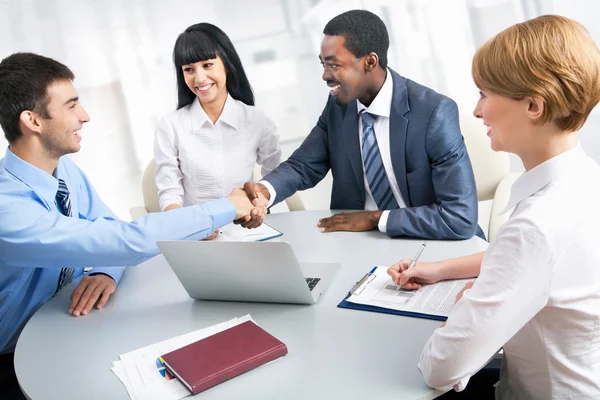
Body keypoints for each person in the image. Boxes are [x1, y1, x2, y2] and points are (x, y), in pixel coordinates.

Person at [0, 52, 265, 399]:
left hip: (69, 325)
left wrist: (107, 271)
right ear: (33, 121)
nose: (85, 116)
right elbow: (128, 240)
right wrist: (228, 207)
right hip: (14, 360)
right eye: (71, 106)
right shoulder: (8, 208)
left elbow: (108, 227)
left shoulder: (63, 172)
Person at [388, 15, 600, 399]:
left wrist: (470, 299)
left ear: (534, 106)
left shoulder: (538, 225)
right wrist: (438, 270)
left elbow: (441, 367)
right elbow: (534, 261)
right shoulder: (586, 180)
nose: (476, 111)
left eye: (485, 94)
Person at [239, 9, 482, 240]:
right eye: (322, 63)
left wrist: (376, 219)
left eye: (334, 65)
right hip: (360, 243)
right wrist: (264, 191)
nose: (324, 75)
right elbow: (303, 166)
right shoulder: (339, 106)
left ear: (370, 61)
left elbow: (459, 218)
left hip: (431, 242)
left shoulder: (433, 113)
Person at [155, 23, 281, 239]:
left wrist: (261, 206)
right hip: (196, 235)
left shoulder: (257, 120)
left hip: (248, 232)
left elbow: (276, 176)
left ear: (226, 64)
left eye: (207, 65)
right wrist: (187, 226)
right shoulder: (170, 125)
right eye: (189, 69)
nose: (200, 78)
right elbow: (169, 192)